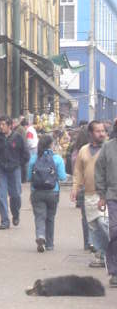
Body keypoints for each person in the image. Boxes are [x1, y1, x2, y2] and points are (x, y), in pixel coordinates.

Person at [71, 121, 109, 268]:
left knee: (104, 224)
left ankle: (110, 255)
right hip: (88, 194)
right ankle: (101, 256)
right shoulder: (83, 150)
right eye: (98, 131)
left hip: (104, 195)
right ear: (91, 134)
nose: (102, 133)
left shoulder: (109, 148)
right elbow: (78, 171)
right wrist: (75, 187)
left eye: (103, 131)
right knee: (93, 227)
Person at [0, 115, 29, 229]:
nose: (1, 127)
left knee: (16, 195)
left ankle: (15, 214)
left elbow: (26, 155)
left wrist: (18, 164)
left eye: (3, 124)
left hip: (15, 170)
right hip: (1, 170)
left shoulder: (18, 138)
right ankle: (4, 220)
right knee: (1, 195)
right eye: (0, 124)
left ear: (10, 126)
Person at [28, 134, 67, 252]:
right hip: (53, 192)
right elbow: (62, 177)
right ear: (51, 145)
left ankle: (40, 236)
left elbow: (29, 177)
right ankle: (49, 244)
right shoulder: (57, 159)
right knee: (50, 218)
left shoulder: (34, 158)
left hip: (37, 192)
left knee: (39, 216)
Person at [95, 128, 117, 287]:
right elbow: (100, 172)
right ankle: (115, 271)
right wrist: (102, 195)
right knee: (115, 231)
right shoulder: (108, 148)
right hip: (113, 196)